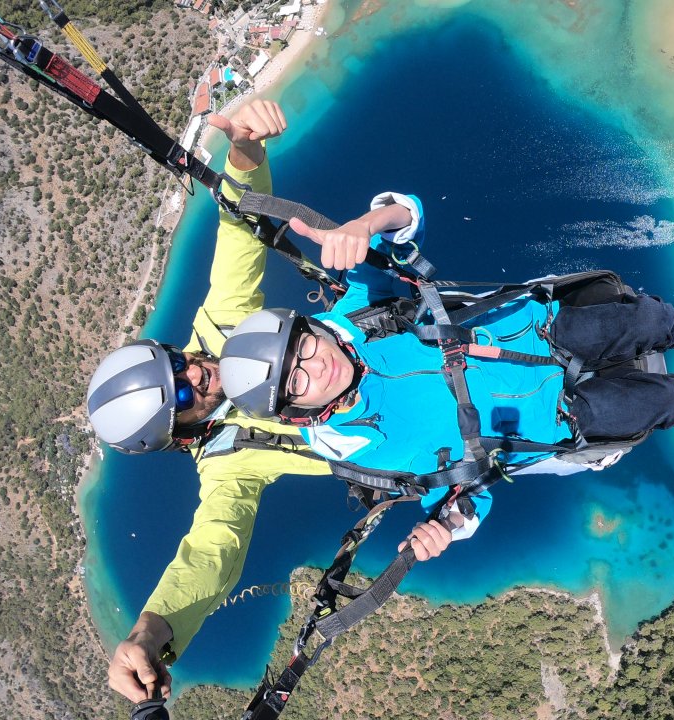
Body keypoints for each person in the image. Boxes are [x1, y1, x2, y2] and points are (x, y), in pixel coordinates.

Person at [86, 100, 452, 706]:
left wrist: (245, 150)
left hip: (417, 350)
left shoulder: (217, 328)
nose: (195, 370)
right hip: (422, 434)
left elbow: (239, 234)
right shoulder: (228, 464)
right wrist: (150, 633)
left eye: (174, 360)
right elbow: (211, 555)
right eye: (183, 392)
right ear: (179, 434)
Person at [218, 198, 674, 539]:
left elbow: (405, 217)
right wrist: (449, 527)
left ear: (311, 327)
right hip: (549, 418)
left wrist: (363, 224)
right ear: (293, 412)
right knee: (662, 402)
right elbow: (453, 487)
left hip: (535, 328)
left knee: (645, 319)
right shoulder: (357, 447)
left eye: (304, 347)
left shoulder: (353, 318)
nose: (316, 366)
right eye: (296, 381)